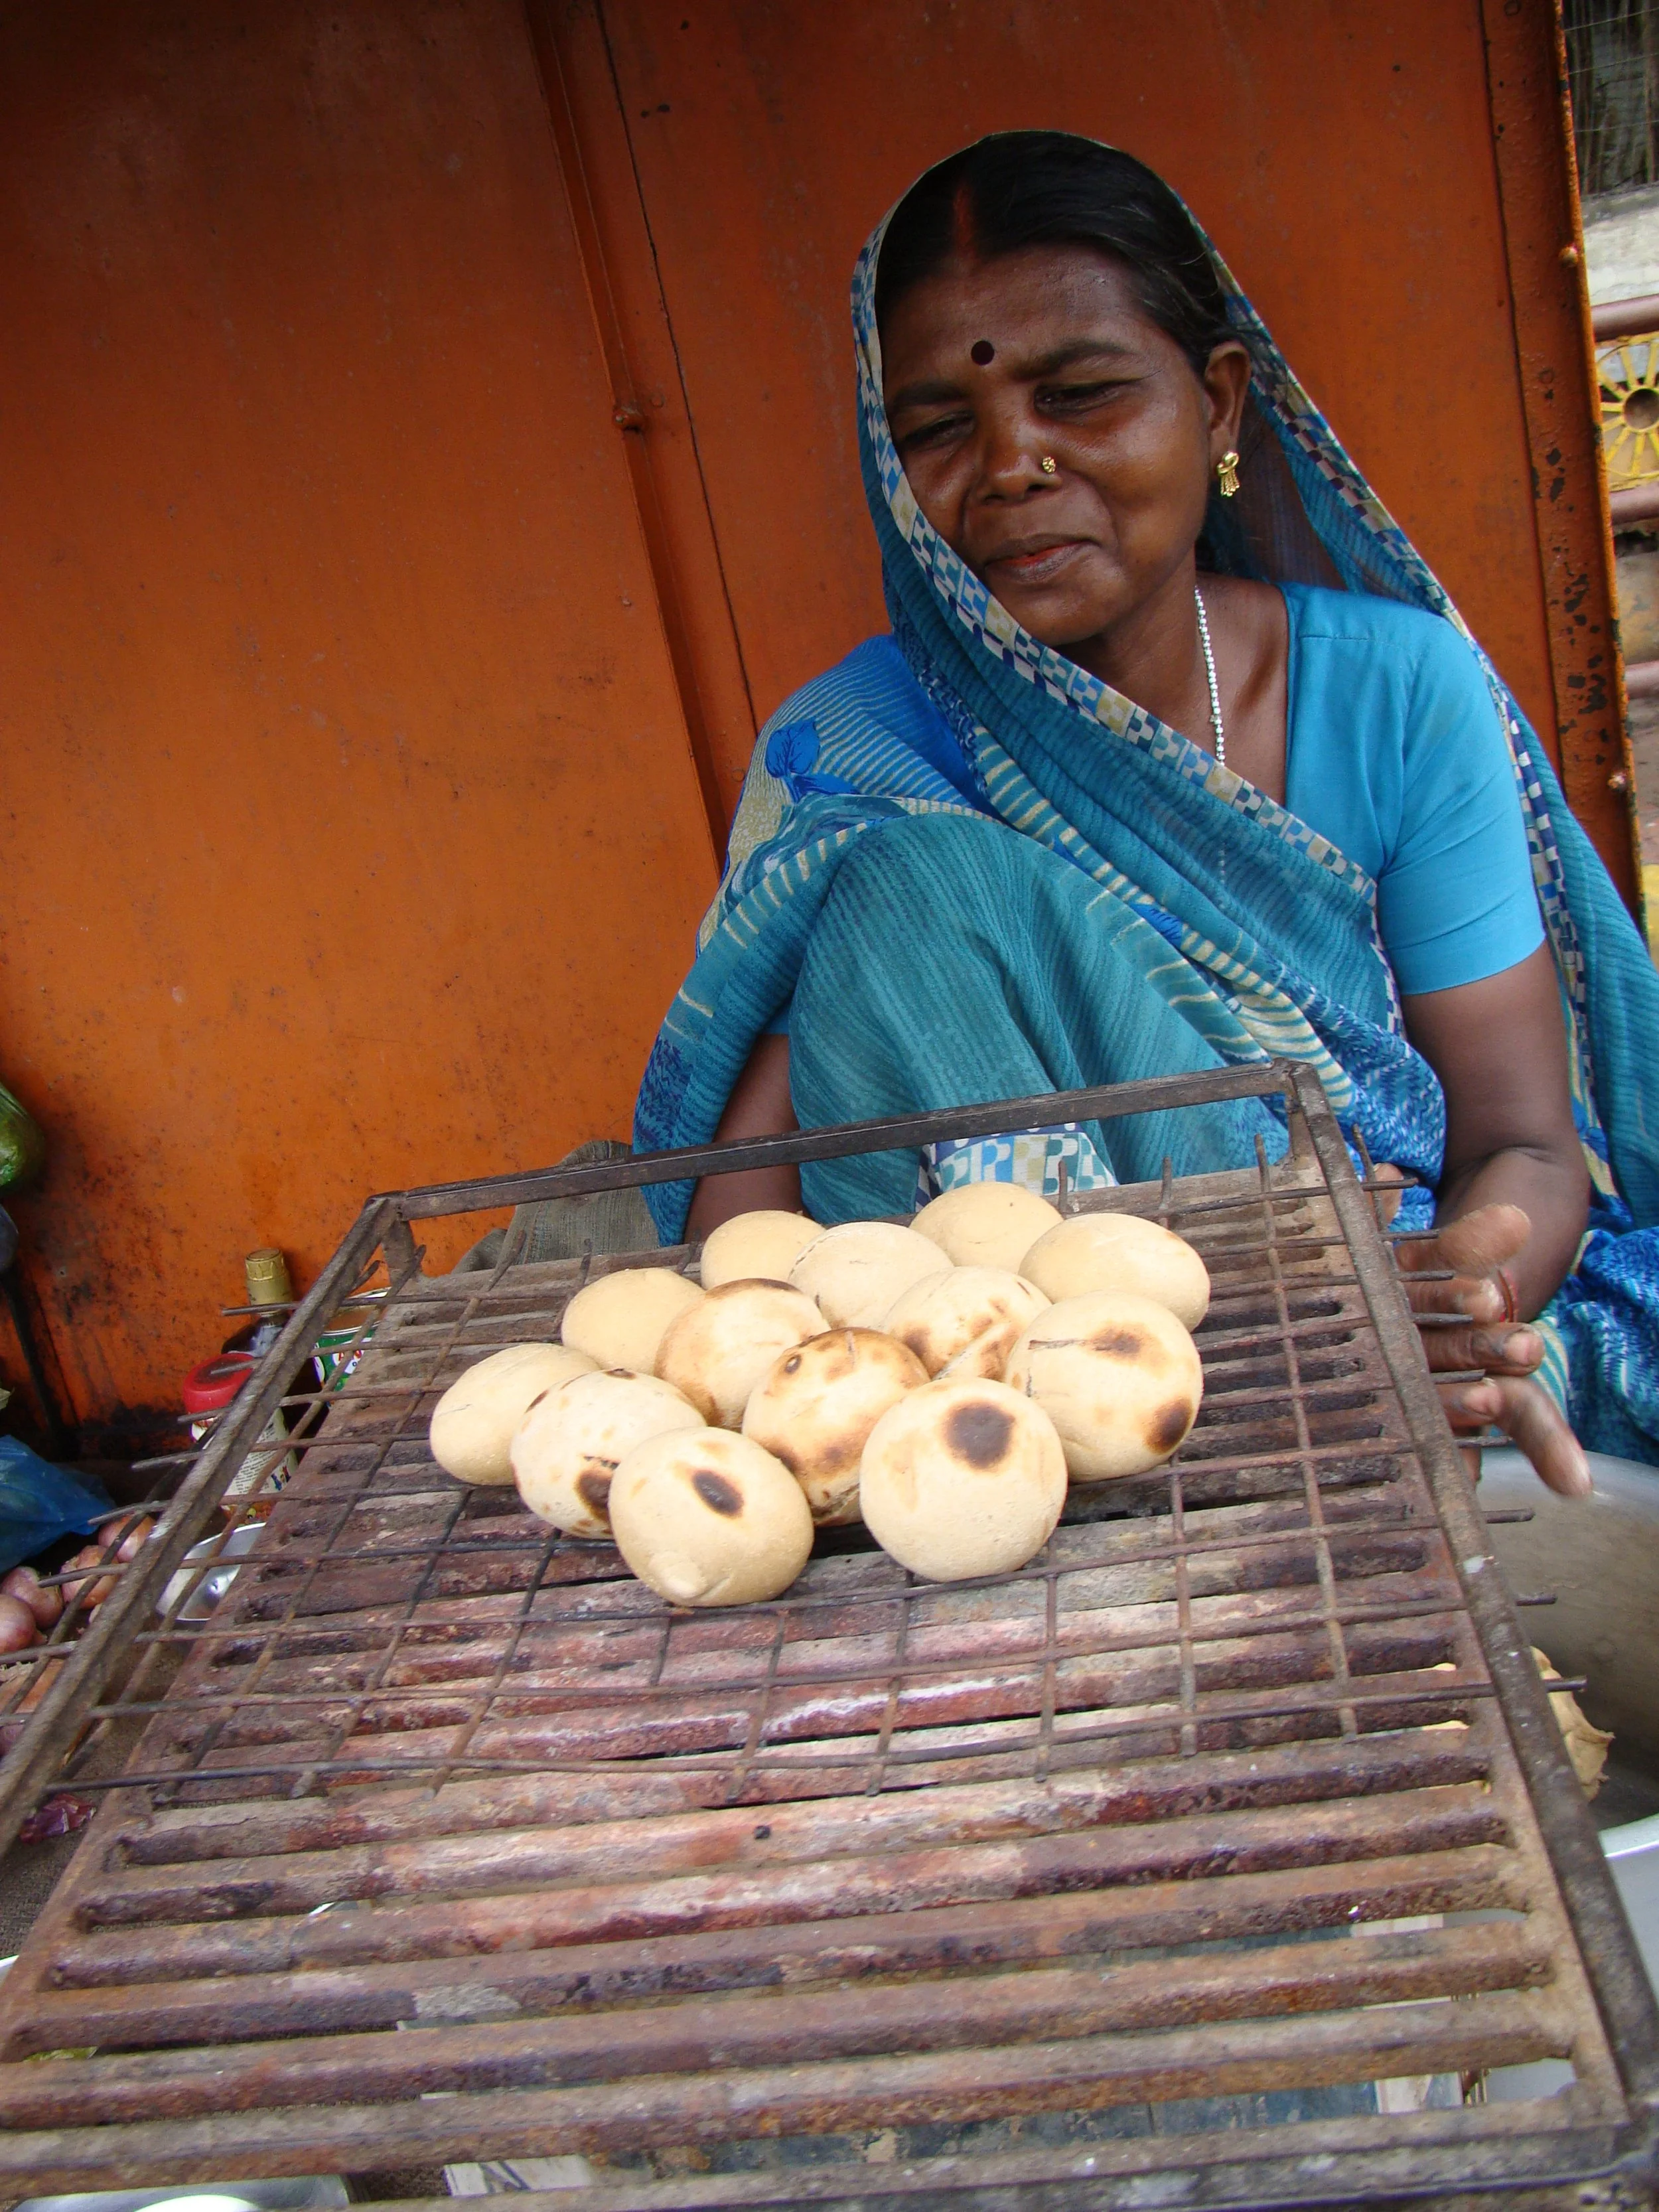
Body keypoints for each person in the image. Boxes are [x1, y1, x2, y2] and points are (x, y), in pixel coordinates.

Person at [634, 131, 1659, 1492]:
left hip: (1371, 1311)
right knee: (917, 890)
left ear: (1219, 405)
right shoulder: (851, 751)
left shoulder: (1392, 693)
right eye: (937, 427)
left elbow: (1520, 1141)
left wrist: (1426, 1307)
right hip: (990, 1410)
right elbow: (752, 1216)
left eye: (1083, 394)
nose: (1010, 465)